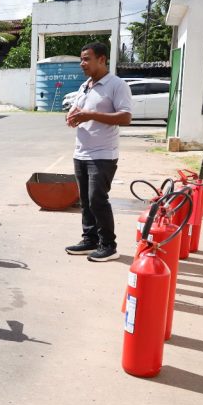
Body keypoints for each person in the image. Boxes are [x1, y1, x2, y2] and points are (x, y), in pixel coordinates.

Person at [65, 41, 132, 263]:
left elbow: (125, 117)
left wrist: (90, 115)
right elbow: (78, 110)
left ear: (102, 59)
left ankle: (109, 245)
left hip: (103, 154)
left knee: (97, 199)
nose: (82, 64)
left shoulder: (116, 85)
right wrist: (73, 117)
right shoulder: (85, 86)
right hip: (81, 152)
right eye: (81, 59)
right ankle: (90, 239)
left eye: (87, 59)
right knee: (85, 200)